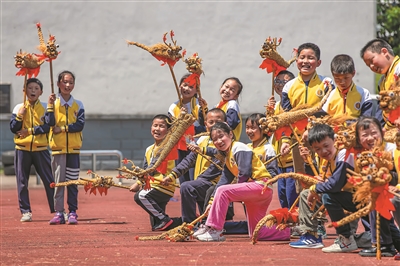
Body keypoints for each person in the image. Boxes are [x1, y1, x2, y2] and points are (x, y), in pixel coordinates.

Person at [191, 122, 290, 242]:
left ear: (231, 134)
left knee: (223, 191)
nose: (218, 141)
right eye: (215, 139)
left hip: (261, 186)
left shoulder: (239, 147)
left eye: (221, 136)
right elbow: (223, 181)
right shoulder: (228, 157)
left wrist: (233, 194)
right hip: (258, 191)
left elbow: (245, 172)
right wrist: (211, 203)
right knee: (256, 233)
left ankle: (214, 229)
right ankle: (288, 231)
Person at [162, 108, 226, 224]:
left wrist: (202, 150)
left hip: (214, 184)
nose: (214, 125)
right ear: (206, 124)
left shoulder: (225, 141)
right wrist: (172, 176)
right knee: (207, 221)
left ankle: (189, 224)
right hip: (201, 182)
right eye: (211, 122)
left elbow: (219, 155)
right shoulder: (201, 140)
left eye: (218, 122)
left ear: (225, 124)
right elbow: (189, 160)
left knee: (187, 187)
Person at [280, 43, 334, 175]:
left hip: (321, 137)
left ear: (318, 62)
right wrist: (285, 141)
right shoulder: (288, 87)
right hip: (298, 140)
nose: (305, 61)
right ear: (296, 60)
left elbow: (329, 111)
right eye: (302, 57)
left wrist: (310, 128)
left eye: (310, 58)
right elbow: (286, 117)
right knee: (301, 175)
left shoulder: (326, 83)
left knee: (323, 173)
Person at [10, 78, 55, 222]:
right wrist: (19, 116)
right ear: (25, 90)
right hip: (22, 149)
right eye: (30, 88)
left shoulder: (45, 107)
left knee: (49, 180)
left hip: (41, 149)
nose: (33, 91)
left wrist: (29, 131)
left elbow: (48, 127)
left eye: (36, 88)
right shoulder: (19, 108)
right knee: (22, 181)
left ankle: (57, 210)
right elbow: (13, 128)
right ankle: (25, 211)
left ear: (41, 92)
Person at [289, 123, 340, 249]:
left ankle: (349, 235)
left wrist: (318, 186)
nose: (323, 151)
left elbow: (337, 182)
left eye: (326, 146)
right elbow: (319, 178)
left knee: (313, 193)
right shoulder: (320, 157)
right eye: (317, 148)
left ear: (334, 139)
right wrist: (307, 162)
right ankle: (311, 235)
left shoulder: (342, 154)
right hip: (333, 190)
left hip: (347, 193)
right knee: (307, 193)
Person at [48, 70, 85, 225]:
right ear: (58, 84)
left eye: (71, 82)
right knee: (58, 182)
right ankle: (58, 212)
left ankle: (73, 212)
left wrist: (63, 129)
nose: (67, 85)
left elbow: (79, 125)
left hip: (73, 150)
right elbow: (49, 123)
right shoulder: (53, 104)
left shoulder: (78, 105)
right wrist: (50, 106)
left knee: (72, 183)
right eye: (64, 82)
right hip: (58, 149)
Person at [130, 114, 177, 231]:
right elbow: (145, 169)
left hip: (162, 185)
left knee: (140, 196)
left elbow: (151, 169)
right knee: (157, 226)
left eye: (162, 126)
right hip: (152, 185)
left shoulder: (168, 147)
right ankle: (186, 220)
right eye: (155, 125)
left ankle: (164, 219)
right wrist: (138, 182)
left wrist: (138, 185)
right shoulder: (149, 149)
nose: (157, 129)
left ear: (169, 130)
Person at [267, 70, 298, 209]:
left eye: (284, 82)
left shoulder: (292, 105)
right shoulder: (276, 106)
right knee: (282, 195)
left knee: (293, 195)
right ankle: (288, 225)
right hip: (280, 160)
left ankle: (296, 222)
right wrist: (269, 112)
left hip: (291, 157)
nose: (279, 85)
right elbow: (268, 131)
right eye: (277, 81)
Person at [168, 74, 205, 184]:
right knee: (183, 177)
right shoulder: (174, 107)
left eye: (191, 87)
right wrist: (180, 117)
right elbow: (172, 127)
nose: (186, 89)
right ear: (179, 86)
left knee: (195, 176)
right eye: (184, 85)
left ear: (197, 90)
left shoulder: (199, 105)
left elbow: (204, 124)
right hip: (180, 146)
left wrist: (204, 110)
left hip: (196, 146)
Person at [360, 38, 400, 129]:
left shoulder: (398, 70)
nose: (371, 66)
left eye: (371, 60)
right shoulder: (382, 82)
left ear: (384, 52)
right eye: (368, 65)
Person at [322, 54, 373, 119]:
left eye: (346, 78)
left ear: (353, 73)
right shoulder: (329, 95)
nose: (342, 82)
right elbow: (323, 118)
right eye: (337, 78)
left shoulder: (364, 93)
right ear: (332, 75)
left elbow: (366, 119)